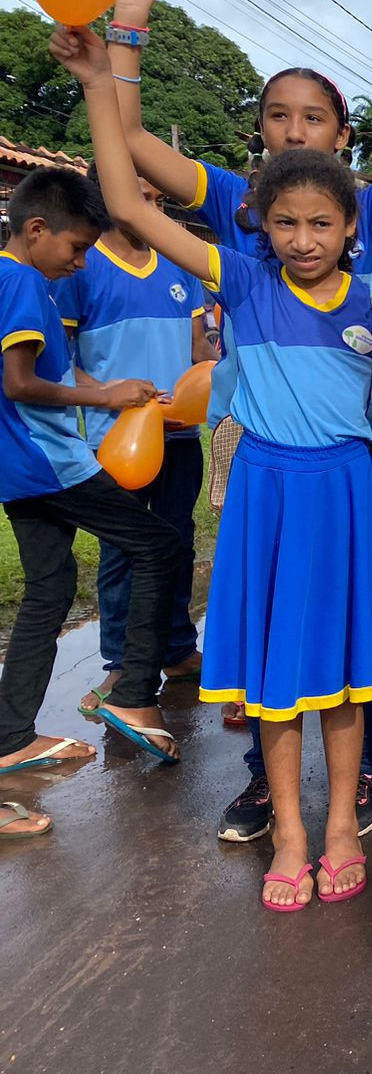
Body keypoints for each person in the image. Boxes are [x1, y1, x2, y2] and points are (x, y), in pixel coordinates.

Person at [60, 21, 372, 908]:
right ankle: (290, 834)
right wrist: (98, 81)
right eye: (288, 223)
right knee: (273, 688)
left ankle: (342, 825)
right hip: (264, 491)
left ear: (352, 230)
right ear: (261, 223)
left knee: (342, 683)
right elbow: (129, 193)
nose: (304, 240)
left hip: (344, 494)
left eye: (323, 225)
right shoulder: (244, 278)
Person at [106, 0, 372, 841]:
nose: (297, 128)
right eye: (279, 115)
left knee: (343, 624)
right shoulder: (236, 211)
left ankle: (355, 783)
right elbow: (132, 159)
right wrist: (123, 35)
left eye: (316, 116)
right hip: (266, 457)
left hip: (347, 454)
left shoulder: (367, 211)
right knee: (271, 623)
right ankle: (270, 787)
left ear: (343, 136)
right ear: (258, 138)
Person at [0, 168, 183, 842]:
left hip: (19, 467)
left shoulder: (30, 283)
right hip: (48, 462)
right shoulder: (19, 279)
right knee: (157, 544)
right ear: (37, 229)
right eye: (76, 249)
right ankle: (133, 692)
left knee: (50, 591)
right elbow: (21, 384)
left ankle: (11, 737)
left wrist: (110, 386)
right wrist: (102, 400)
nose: (80, 261)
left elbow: (52, 369)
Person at [55, 167, 214, 704]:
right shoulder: (80, 264)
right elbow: (62, 364)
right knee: (123, 550)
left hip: (179, 437)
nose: (151, 209)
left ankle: (175, 647)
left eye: (158, 200)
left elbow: (199, 352)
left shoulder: (179, 262)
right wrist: (109, 393)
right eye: (139, 198)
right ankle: (121, 661)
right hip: (117, 442)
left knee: (177, 540)